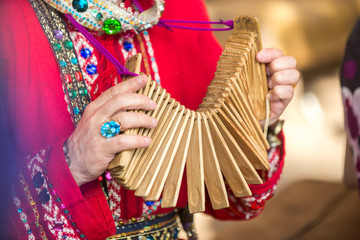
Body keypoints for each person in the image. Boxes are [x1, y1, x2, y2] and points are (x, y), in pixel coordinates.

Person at [0, 0, 299, 239]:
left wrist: (255, 122)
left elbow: (234, 198)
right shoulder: (9, 18)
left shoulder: (180, 7)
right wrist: (72, 163)